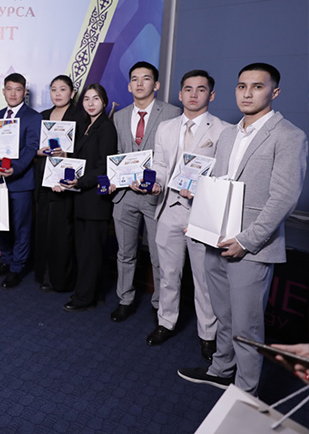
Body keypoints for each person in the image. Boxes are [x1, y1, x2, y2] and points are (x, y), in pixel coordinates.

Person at [179, 63, 308, 395]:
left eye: (257, 87)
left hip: (251, 247)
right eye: (241, 86)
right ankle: (221, 370)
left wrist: (246, 241)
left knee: (247, 326)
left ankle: (245, 393)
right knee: (223, 315)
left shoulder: (289, 135)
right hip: (215, 241)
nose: (247, 93)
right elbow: (219, 185)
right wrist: (200, 220)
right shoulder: (228, 134)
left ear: (274, 92)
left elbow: (284, 198)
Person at [145, 70, 229, 360]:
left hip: (202, 214)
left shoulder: (224, 130)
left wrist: (201, 191)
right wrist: (155, 184)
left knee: (204, 280)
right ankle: (165, 322)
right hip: (169, 208)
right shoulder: (165, 127)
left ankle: (208, 335)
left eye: (201, 89)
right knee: (168, 274)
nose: (194, 94)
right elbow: (160, 164)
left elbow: (224, 175)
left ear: (211, 95)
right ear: (180, 94)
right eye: (188, 89)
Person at [109, 61, 181, 322]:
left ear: (156, 84)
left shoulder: (173, 113)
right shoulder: (119, 116)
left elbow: (175, 156)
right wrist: (117, 179)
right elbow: (117, 154)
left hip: (155, 195)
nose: (140, 83)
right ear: (129, 86)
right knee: (125, 252)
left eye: (146, 78)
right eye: (135, 79)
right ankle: (125, 298)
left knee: (159, 255)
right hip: (125, 195)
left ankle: (160, 303)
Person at [59, 84, 117, 312]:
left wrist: (79, 181)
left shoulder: (106, 128)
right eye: (86, 99)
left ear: (104, 101)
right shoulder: (85, 125)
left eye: (96, 98)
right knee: (84, 250)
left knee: (90, 252)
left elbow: (103, 166)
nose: (91, 103)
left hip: (94, 200)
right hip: (81, 198)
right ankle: (91, 292)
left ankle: (84, 298)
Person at [0, 73, 41, 289]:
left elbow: (31, 148)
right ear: (4, 91)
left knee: (21, 226)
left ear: (24, 92)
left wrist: (15, 169)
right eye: (9, 89)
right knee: (2, 224)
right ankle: (7, 260)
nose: (13, 93)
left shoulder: (33, 117)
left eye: (18, 89)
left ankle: (17, 267)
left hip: (20, 182)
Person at [33, 75, 87, 293]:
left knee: (61, 231)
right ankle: (43, 275)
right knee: (42, 228)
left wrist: (66, 154)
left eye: (62, 89)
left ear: (72, 93)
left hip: (64, 181)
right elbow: (33, 146)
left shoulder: (80, 117)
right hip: (43, 178)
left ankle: (60, 280)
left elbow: (85, 151)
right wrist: (39, 152)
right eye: (53, 89)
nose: (57, 94)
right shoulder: (43, 116)